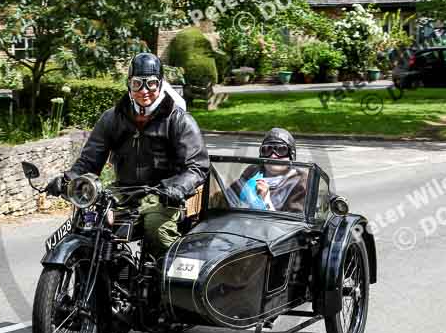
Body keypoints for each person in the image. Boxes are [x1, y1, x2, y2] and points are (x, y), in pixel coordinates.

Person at [46, 52, 209, 258]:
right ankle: (98, 275)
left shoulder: (178, 120)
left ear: (160, 83)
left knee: (157, 229)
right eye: (137, 83)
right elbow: (89, 160)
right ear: (128, 85)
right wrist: (67, 180)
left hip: (163, 195)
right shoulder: (112, 118)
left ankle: (159, 286)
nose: (144, 91)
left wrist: (178, 187)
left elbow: (197, 166)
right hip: (123, 192)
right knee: (90, 222)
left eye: (150, 83)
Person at [232, 128, 306, 212]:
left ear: (291, 155)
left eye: (281, 150)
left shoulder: (300, 182)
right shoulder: (253, 171)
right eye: (267, 150)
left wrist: (266, 200)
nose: (273, 156)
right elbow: (230, 196)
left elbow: (294, 223)